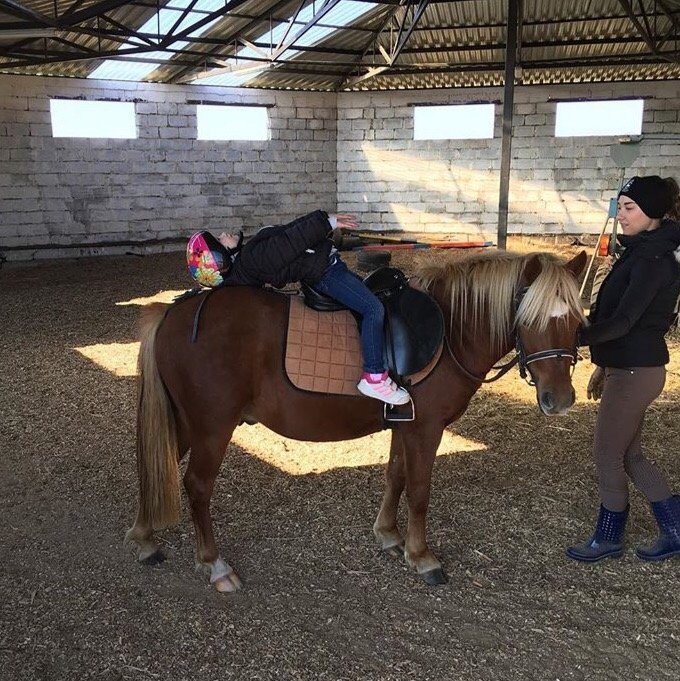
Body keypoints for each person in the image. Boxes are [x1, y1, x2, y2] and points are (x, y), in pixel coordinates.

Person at [567, 175, 680, 563]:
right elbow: (612, 315)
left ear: (653, 213)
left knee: (606, 456)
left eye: (629, 208)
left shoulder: (652, 262)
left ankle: (608, 537)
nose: (621, 215)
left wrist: (574, 338)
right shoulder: (639, 252)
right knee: (631, 456)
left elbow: (624, 322)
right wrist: (602, 364)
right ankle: (675, 528)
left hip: (635, 371)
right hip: (630, 367)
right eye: (620, 207)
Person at [187, 210, 410, 406]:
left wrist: (324, 219)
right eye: (219, 241)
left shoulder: (247, 258)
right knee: (373, 309)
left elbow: (288, 230)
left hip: (326, 266)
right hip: (326, 273)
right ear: (222, 257)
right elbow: (290, 241)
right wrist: (326, 222)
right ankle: (374, 377)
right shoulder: (254, 259)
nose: (223, 234)